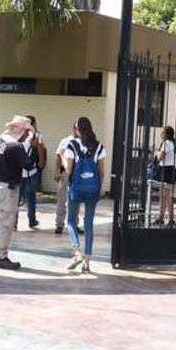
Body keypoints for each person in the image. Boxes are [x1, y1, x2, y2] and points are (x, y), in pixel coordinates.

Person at [0, 115, 32, 270]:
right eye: (27, 132)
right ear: (21, 130)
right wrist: (34, 147)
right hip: (8, 188)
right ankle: (1, 256)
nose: (27, 135)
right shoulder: (15, 146)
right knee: (6, 224)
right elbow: (28, 164)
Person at [62, 116, 106, 273]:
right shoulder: (99, 147)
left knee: (71, 220)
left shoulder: (72, 145)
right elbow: (101, 172)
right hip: (92, 189)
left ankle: (77, 252)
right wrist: (97, 187)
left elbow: (69, 170)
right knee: (89, 224)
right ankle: (87, 264)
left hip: (76, 188)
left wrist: (62, 158)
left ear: (78, 130)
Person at [53, 121, 77, 235]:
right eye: (76, 128)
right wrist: (56, 172)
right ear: (73, 128)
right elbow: (58, 157)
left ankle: (74, 223)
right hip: (65, 173)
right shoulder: (65, 141)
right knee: (61, 199)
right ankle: (59, 224)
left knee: (76, 200)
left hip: (77, 173)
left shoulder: (84, 141)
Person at [22, 115, 45, 230]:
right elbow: (41, 144)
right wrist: (41, 161)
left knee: (17, 197)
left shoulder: (20, 134)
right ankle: (32, 220)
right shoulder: (38, 134)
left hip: (20, 171)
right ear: (34, 124)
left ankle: (14, 222)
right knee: (31, 197)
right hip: (32, 171)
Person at [153, 125, 176, 227]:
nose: (161, 134)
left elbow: (160, 158)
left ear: (166, 134)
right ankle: (170, 219)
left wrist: (156, 152)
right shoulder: (170, 143)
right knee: (165, 197)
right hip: (166, 170)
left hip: (167, 170)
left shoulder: (166, 143)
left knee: (164, 196)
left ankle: (161, 218)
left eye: (162, 132)